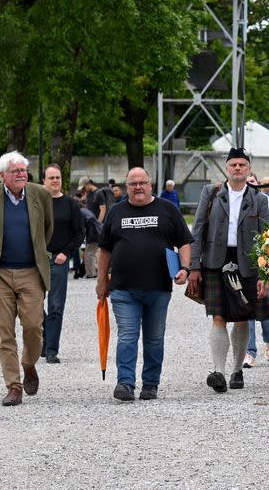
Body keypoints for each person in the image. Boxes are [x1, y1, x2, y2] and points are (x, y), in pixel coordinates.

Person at [97, 167, 193, 401]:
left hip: (158, 288)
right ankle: (125, 383)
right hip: (123, 288)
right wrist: (101, 281)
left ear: (150, 184)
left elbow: (184, 242)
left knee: (154, 338)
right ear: (126, 187)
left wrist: (185, 268)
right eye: (133, 184)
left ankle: (150, 383)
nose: (138, 187)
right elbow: (105, 249)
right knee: (128, 336)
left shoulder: (167, 209)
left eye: (142, 182)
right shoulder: (116, 212)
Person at [188, 148, 269, 395]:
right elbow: (197, 230)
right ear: (226, 168)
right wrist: (194, 266)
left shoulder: (259, 199)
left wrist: (266, 274)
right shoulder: (211, 193)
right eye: (233, 164)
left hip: (248, 262)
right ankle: (219, 372)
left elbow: (268, 239)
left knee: (245, 316)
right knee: (218, 316)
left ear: (248, 169)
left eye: (242, 165)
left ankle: (237, 370)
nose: (237, 168)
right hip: (215, 260)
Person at [0, 151, 54, 406]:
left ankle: (28, 363)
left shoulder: (40, 194)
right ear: (2, 176)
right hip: (1, 274)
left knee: (34, 326)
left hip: (31, 271)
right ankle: (14, 386)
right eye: (16, 171)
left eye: (23, 170)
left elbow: (47, 228)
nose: (22, 174)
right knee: (5, 332)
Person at [40, 165, 84, 364]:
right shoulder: (37, 202)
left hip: (59, 259)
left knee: (56, 304)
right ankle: (44, 338)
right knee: (31, 304)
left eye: (57, 177)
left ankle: (51, 350)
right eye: (51, 177)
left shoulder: (71, 204)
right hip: (37, 259)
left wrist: (66, 253)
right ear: (44, 181)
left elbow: (79, 232)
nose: (55, 180)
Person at [243, 173, 269, 368]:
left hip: (267, 261)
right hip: (245, 263)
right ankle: (249, 351)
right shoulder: (237, 204)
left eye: (252, 183)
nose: (249, 186)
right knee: (247, 308)